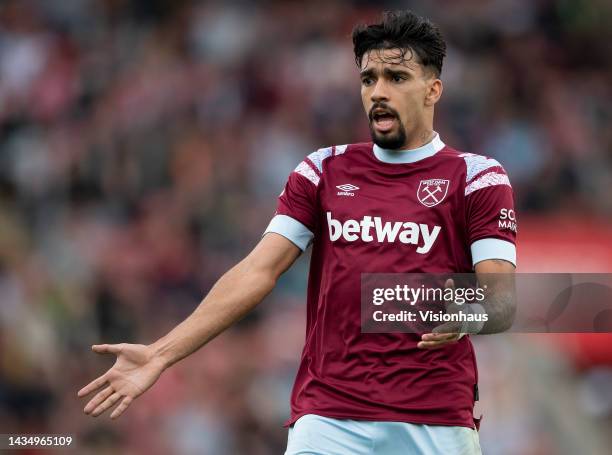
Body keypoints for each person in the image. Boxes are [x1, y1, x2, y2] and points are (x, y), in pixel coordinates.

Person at [78, 10, 517, 454]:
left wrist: (463, 313)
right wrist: (161, 352)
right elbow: (257, 271)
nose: (379, 92)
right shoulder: (323, 170)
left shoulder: (477, 178)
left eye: (397, 77)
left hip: (435, 420)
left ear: (433, 89)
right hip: (329, 417)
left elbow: (499, 298)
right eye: (369, 79)